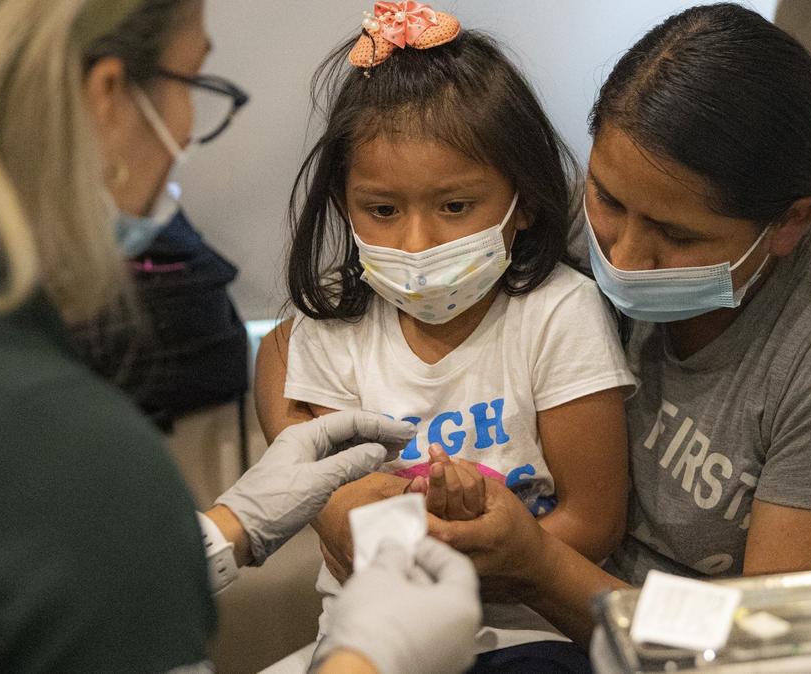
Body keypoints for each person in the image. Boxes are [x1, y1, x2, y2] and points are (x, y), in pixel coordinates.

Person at [0, 2, 480, 673]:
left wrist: (229, 529)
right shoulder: (53, 449)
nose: (186, 125)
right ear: (107, 98)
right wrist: (367, 661)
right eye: (192, 81)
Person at [345, 0, 811, 649]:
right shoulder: (579, 231)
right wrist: (320, 489)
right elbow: (322, 329)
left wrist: (538, 566)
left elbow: (768, 644)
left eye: (677, 235)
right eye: (606, 198)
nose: (624, 257)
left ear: (791, 222)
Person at [253, 4, 635, 668]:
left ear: (525, 201)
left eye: (456, 207)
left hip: (525, 636)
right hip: (366, 638)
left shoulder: (559, 314)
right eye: (382, 209)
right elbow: (342, 518)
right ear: (344, 204)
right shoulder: (329, 332)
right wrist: (351, 517)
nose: (418, 242)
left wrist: (482, 551)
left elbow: (595, 519)